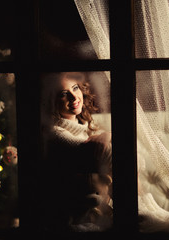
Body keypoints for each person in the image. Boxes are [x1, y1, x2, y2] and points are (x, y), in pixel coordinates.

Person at [40, 72, 112, 231]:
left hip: (97, 212)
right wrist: (108, 136)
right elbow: (95, 152)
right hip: (72, 221)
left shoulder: (85, 125)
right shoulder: (54, 134)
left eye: (75, 88)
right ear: (51, 101)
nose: (74, 97)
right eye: (64, 94)